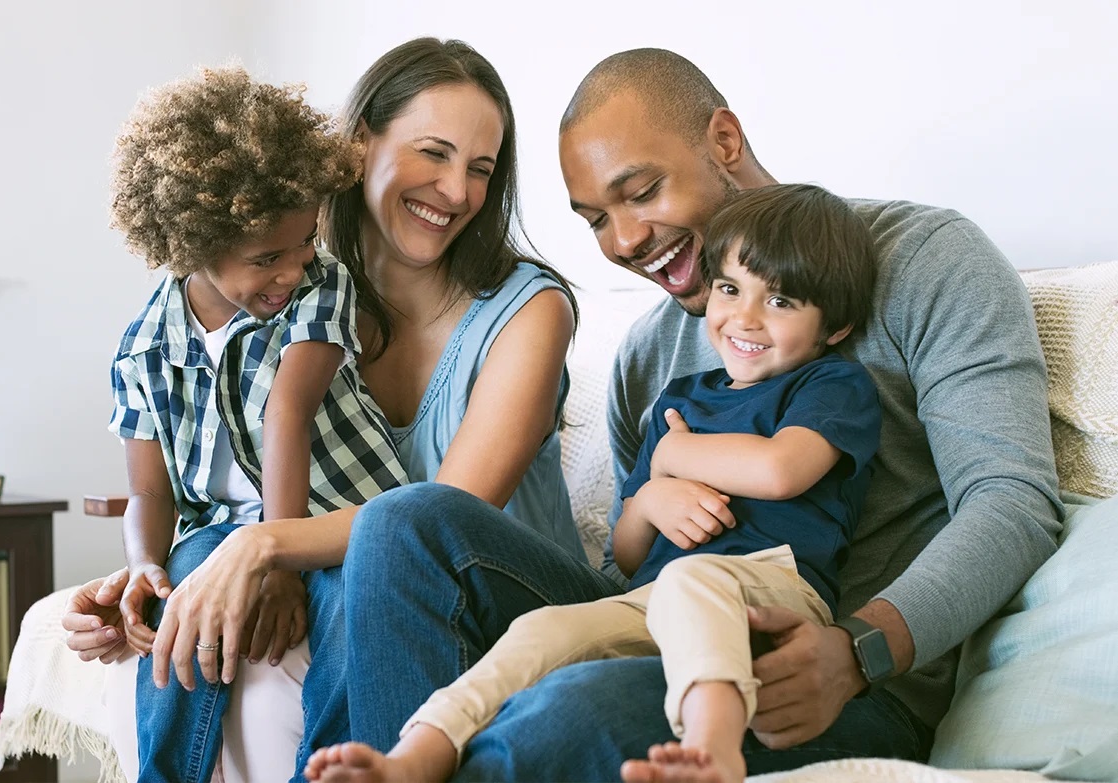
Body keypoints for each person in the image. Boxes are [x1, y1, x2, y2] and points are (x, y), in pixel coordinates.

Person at [325, 46, 1064, 781]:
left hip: (830, 675)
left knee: (565, 710)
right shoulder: (649, 355)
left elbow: (1012, 502)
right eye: (594, 220)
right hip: (666, 625)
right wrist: (652, 498)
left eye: (641, 191)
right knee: (404, 522)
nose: (623, 241)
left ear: (723, 142)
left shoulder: (925, 260)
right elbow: (630, 562)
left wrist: (858, 649)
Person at [62, 38, 587, 783]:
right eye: (433, 153)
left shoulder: (526, 311)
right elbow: (199, 466)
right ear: (359, 143)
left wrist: (264, 545)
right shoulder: (289, 288)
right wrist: (150, 575)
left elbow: (444, 517)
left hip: (502, 593)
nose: (458, 191)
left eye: (480, 168)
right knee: (208, 570)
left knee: (376, 549)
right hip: (364, 569)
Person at [304, 182, 882, 783]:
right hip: (651, 599)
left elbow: (780, 469)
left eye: (781, 302)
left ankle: (714, 750)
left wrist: (676, 455)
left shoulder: (829, 386)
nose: (745, 318)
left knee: (692, 578)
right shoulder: (680, 400)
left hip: (773, 591)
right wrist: (653, 495)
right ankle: (415, 756)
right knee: (542, 630)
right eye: (730, 289)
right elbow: (629, 555)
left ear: (834, 327)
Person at [102, 64, 406, 783]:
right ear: (189, 245)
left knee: (348, 606)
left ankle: (331, 771)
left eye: (303, 243)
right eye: (267, 257)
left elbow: (286, 413)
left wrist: (279, 559)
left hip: (339, 515)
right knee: (185, 589)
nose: (292, 269)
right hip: (220, 529)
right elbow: (150, 493)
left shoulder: (319, 284)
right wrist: (146, 562)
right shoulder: (143, 348)